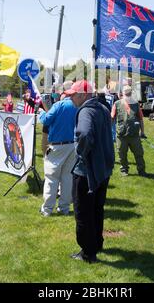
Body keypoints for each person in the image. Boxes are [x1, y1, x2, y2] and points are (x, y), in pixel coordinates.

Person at [64, 80, 115, 264]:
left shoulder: (86, 110)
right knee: (96, 209)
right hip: (102, 169)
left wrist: (80, 152)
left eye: (73, 94)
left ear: (83, 95)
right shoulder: (102, 108)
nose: (70, 98)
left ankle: (87, 252)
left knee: (83, 212)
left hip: (87, 171)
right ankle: (96, 243)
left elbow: (84, 134)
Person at [38, 92, 77, 216]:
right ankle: (64, 208)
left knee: (51, 178)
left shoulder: (59, 105)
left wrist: (41, 112)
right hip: (72, 145)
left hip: (57, 146)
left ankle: (47, 209)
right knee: (67, 178)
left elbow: (46, 120)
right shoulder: (77, 106)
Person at [111, 85, 147, 177]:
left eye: (129, 92)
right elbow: (112, 118)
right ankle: (124, 170)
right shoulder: (117, 104)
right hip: (121, 135)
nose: (128, 94)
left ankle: (141, 171)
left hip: (134, 135)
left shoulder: (136, 104)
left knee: (139, 154)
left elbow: (141, 119)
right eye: (127, 92)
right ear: (123, 93)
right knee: (122, 154)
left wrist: (142, 132)